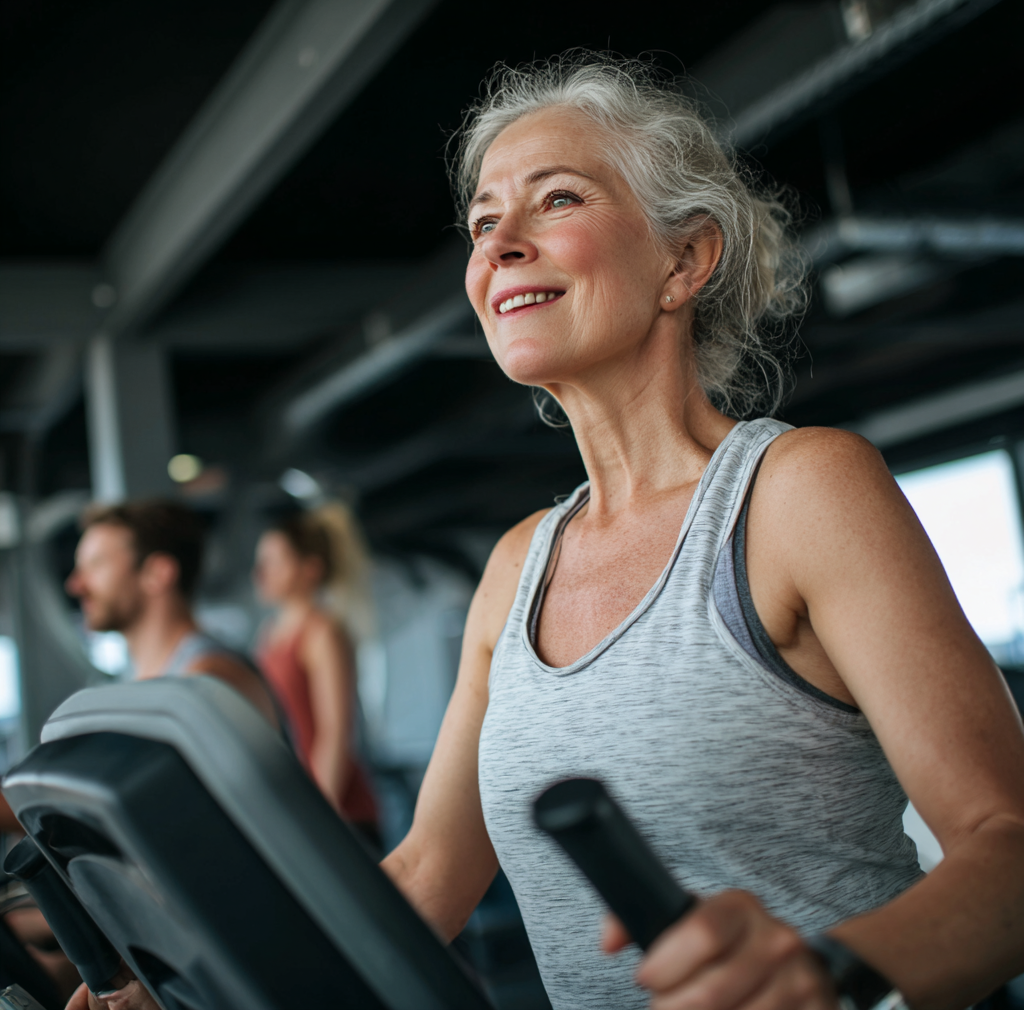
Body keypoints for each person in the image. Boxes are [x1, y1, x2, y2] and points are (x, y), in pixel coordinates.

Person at [68, 54, 1024, 1010]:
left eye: (556, 200)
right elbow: (428, 874)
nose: (499, 247)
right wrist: (191, 987)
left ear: (684, 260)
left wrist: (828, 972)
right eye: (484, 223)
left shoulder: (796, 492)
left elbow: (1005, 844)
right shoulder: (518, 565)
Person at [65, 500, 277, 723]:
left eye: (96, 565)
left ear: (157, 573)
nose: (75, 585)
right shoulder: (138, 678)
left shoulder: (211, 680)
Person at [252, 504, 378, 831]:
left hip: (339, 812)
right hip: (295, 807)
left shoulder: (322, 633)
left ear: (311, 568)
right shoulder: (269, 635)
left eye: (275, 562)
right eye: (261, 562)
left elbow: (335, 733)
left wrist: (320, 819)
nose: (261, 573)